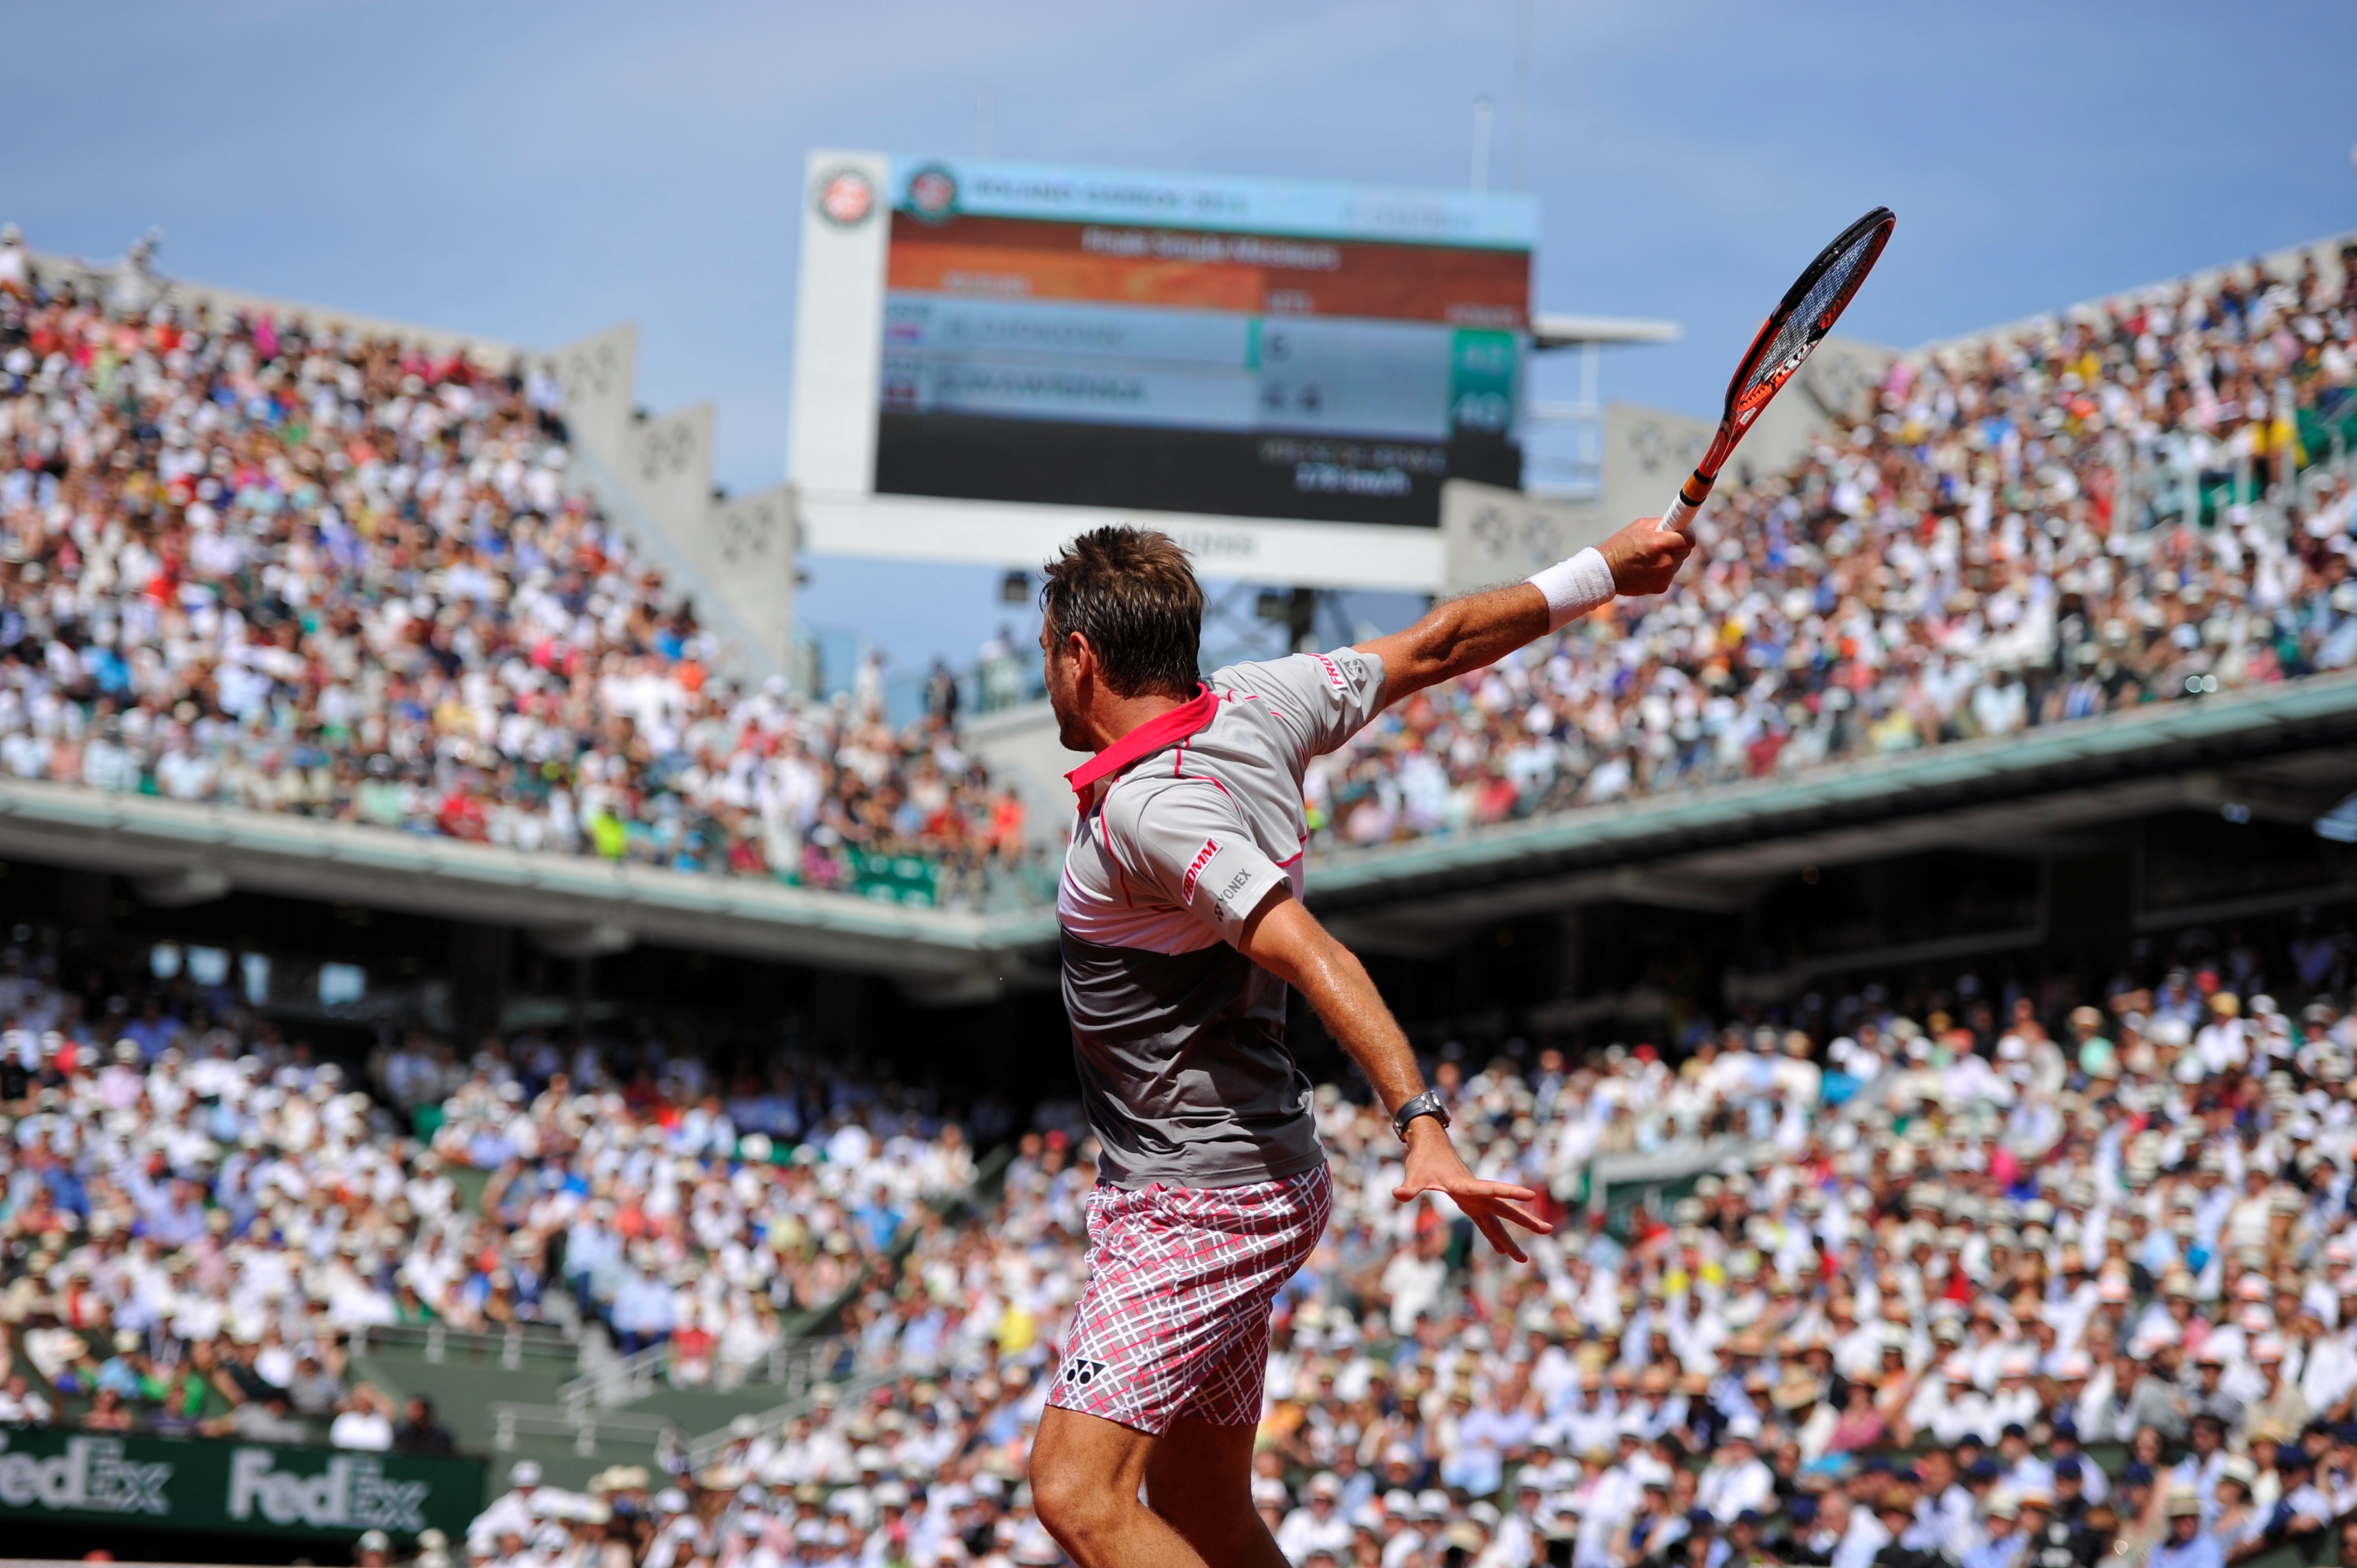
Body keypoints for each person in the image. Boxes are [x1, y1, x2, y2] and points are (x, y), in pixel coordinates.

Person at [1022, 520, 1692, 1568]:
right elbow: (1442, 641)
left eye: (1047, 657)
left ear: (1080, 658)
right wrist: (1605, 570)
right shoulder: (1263, 700)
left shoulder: (1149, 811)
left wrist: (1420, 1122)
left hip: (1199, 1195)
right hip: (1246, 1174)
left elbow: (1306, 948)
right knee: (1203, 1512)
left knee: (1074, 1491)